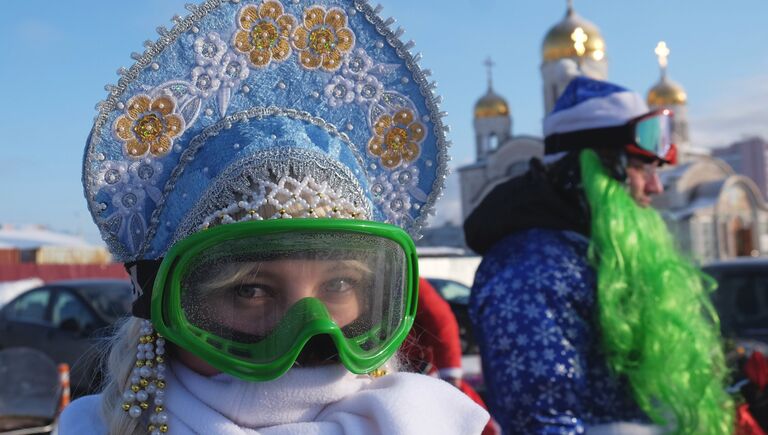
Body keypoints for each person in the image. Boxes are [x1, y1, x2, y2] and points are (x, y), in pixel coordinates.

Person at [59, 0, 489, 434]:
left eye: (339, 284)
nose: (309, 335)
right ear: (164, 306)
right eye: (250, 290)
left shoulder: (423, 423)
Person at [464, 76, 734, 434]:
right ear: (594, 169)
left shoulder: (596, 254)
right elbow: (545, 422)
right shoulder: (529, 270)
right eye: (640, 167)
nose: (655, 187)